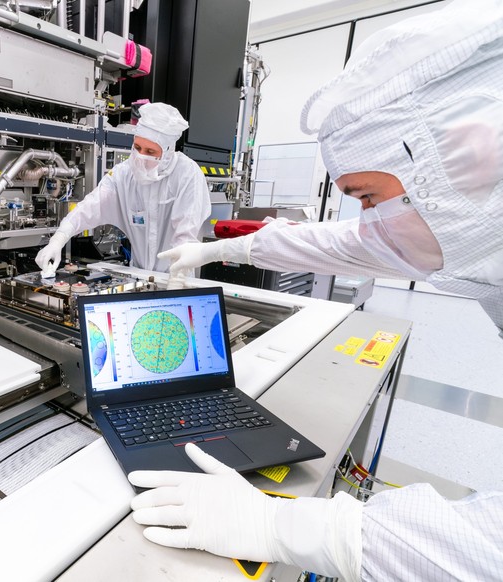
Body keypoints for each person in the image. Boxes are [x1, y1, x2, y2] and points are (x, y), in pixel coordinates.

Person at [128, 1, 503, 580]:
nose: (368, 223)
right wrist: (219, 250)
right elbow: (333, 244)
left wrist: (289, 528)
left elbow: (487, 552)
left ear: (470, 158)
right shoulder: (469, 220)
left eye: (369, 198)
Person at [34, 102, 208, 277]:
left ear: (168, 151)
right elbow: (88, 208)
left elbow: (185, 239)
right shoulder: (123, 174)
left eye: (150, 151)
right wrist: (58, 240)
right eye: (137, 147)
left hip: (176, 278)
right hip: (139, 277)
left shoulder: (187, 175)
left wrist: (176, 279)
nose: (140, 156)